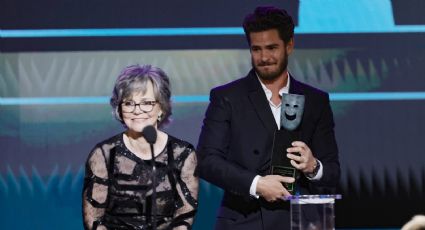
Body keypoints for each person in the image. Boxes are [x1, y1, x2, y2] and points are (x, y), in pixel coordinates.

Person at [196, 6, 340, 230]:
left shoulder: (315, 101)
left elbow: (331, 172)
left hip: (300, 221)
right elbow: (207, 161)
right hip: (243, 220)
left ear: (289, 45)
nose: (264, 57)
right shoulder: (227, 98)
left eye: (272, 48)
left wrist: (313, 166)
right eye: (256, 49)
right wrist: (257, 184)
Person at [82, 64, 199, 230]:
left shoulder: (183, 154)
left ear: (161, 107)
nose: (137, 111)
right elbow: (94, 220)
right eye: (129, 103)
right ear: (119, 108)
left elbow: (184, 215)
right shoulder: (103, 154)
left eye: (146, 102)